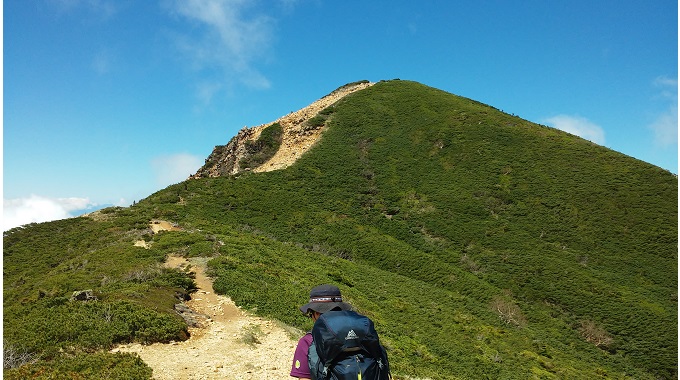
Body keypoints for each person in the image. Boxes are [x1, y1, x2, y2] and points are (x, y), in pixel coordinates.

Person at [290, 284, 352, 379]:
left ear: (316, 313)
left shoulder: (308, 341)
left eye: (311, 314)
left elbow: (305, 378)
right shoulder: (361, 334)